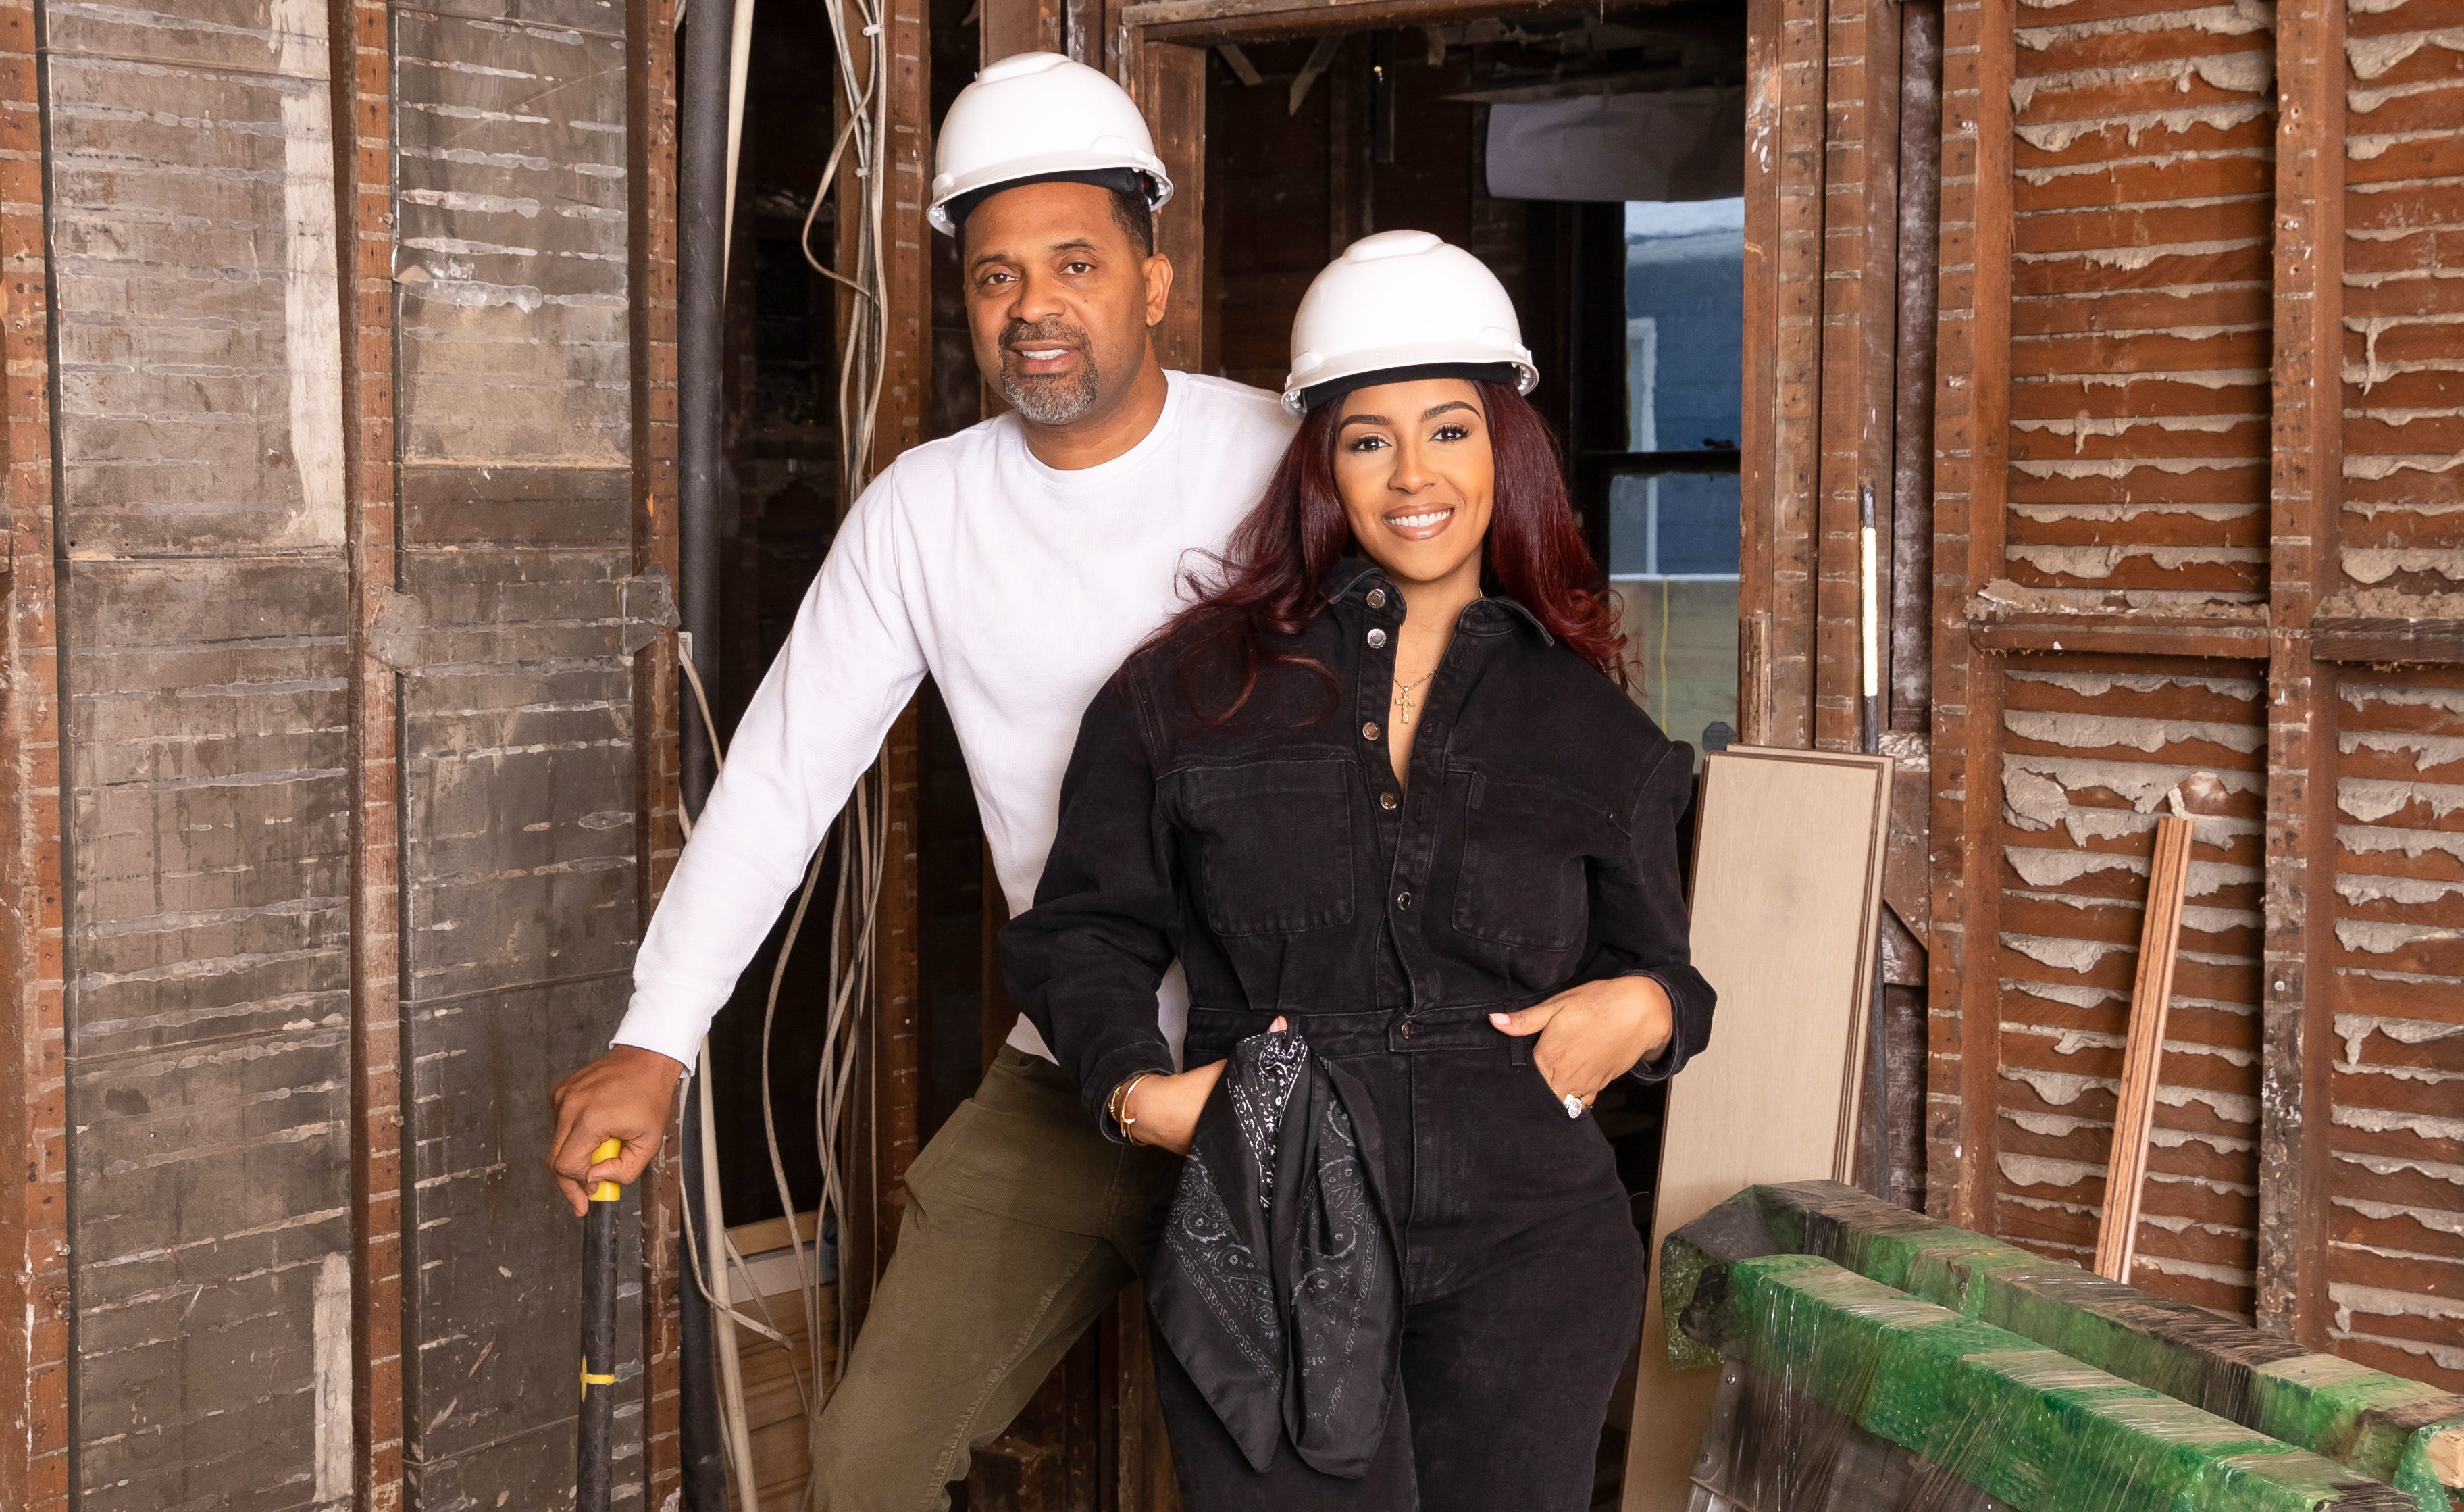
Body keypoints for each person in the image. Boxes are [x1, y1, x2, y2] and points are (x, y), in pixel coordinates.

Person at [542, 53, 1296, 1510]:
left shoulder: (1283, 461)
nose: (1034, 307)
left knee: (1294, 1468)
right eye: (996, 276)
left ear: (1153, 277)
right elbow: (780, 777)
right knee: (871, 1462)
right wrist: (660, 1036)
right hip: (1072, 1063)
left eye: (1075, 262)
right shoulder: (926, 511)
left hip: (1285, 1065)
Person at [1002, 230, 1717, 1511]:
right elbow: (1081, 931)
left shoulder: (1593, 725)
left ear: (1506, 447)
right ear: (1323, 463)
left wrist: (1653, 1008)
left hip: (1531, 1245)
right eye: (1368, 438)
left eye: (1449, 430)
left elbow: (1663, 967)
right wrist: (1135, 1094)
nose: (1413, 475)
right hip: (1267, 1213)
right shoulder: (1190, 692)